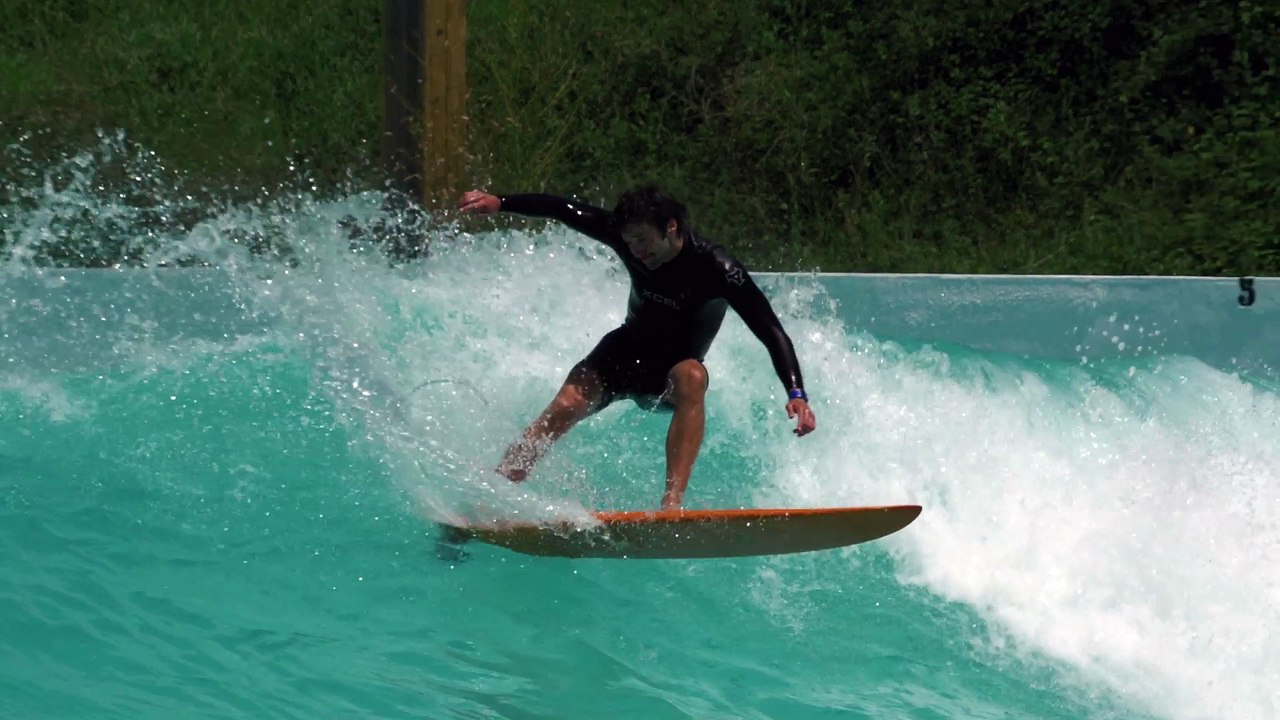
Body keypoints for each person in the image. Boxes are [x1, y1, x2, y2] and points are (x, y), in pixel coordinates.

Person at [456, 185, 816, 510]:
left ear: (671, 227)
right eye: (630, 241)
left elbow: (771, 330)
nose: (636, 250)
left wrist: (796, 391)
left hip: (670, 375)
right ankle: (489, 495)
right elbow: (564, 209)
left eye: (643, 240)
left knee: (692, 375)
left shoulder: (717, 268)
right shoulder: (625, 235)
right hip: (624, 353)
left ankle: (671, 504)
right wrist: (502, 202)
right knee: (565, 405)